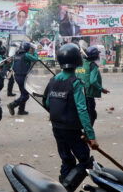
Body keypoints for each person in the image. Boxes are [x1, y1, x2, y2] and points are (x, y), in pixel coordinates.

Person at [43, 43, 98, 189]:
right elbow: (82, 110)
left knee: (66, 160)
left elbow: (47, 102)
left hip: (56, 127)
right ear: (77, 61)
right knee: (86, 161)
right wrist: (90, 135)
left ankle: (61, 187)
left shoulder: (53, 80)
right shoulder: (76, 83)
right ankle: (67, 187)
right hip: (72, 129)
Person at [75, 46, 109, 126]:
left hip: (79, 92)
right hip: (88, 93)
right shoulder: (92, 65)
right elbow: (93, 80)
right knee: (91, 114)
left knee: (81, 111)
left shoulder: (80, 63)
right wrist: (102, 89)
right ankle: (88, 132)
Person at [7, 41, 39, 116]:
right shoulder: (26, 55)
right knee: (25, 95)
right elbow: (36, 59)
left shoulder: (17, 55)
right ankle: (12, 105)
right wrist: (35, 51)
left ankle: (21, 110)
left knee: (23, 94)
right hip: (23, 77)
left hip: (17, 76)